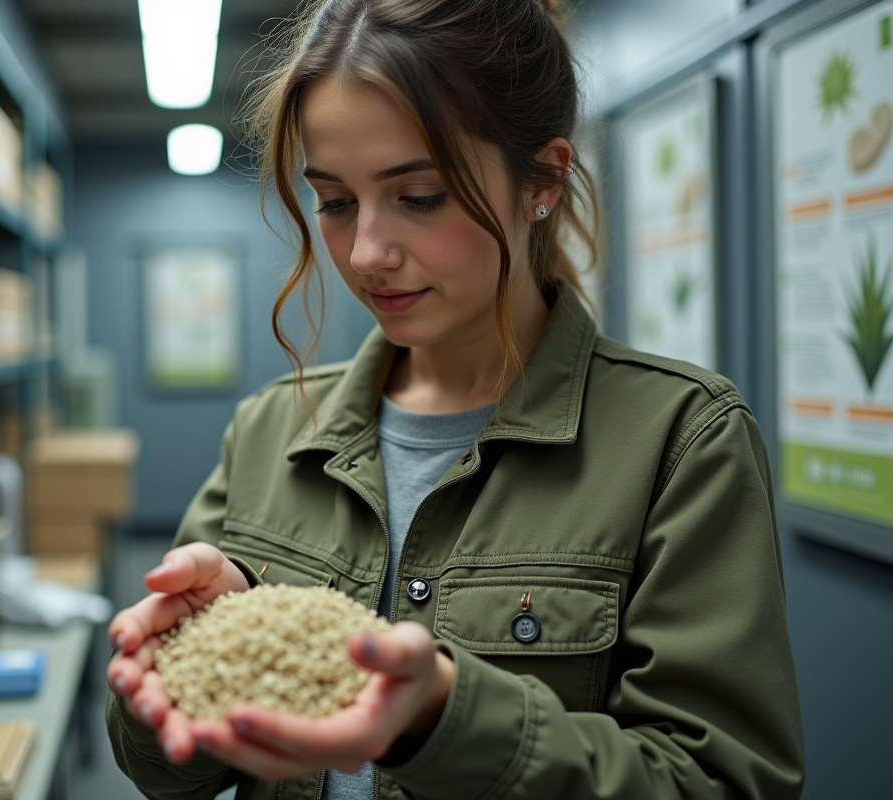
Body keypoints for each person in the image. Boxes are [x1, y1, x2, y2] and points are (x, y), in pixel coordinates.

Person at [105, 0, 805, 798]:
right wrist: (185, 665)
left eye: (422, 195)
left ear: (541, 178)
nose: (366, 252)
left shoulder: (682, 440)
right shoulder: (271, 427)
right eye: (335, 202)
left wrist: (446, 721)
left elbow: (718, 782)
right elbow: (167, 772)